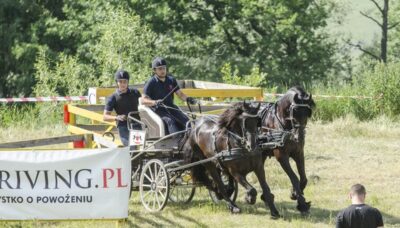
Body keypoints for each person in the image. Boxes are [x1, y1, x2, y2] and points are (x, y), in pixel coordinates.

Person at [141, 57, 196, 134]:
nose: (162, 70)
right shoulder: (151, 82)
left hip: (171, 107)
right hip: (158, 109)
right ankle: (176, 143)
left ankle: (189, 140)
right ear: (154, 70)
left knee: (186, 121)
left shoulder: (171, 80)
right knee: (171, 121)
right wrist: (155, 102)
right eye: (160, 69)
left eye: (164, 68)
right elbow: (143, 100)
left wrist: (188, 99)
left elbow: (180, 94)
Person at [103, 70, 141, 146]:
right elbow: (105, 117)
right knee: (131, 148)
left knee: (140, 148)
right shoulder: (112, 97)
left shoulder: (135, 93)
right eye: (120, 81)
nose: (122, 84)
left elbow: (143, 106)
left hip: (137, 124)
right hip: (123, 126)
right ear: (117, 82)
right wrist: (116, 117)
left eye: (125, 81)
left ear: (128, 82)